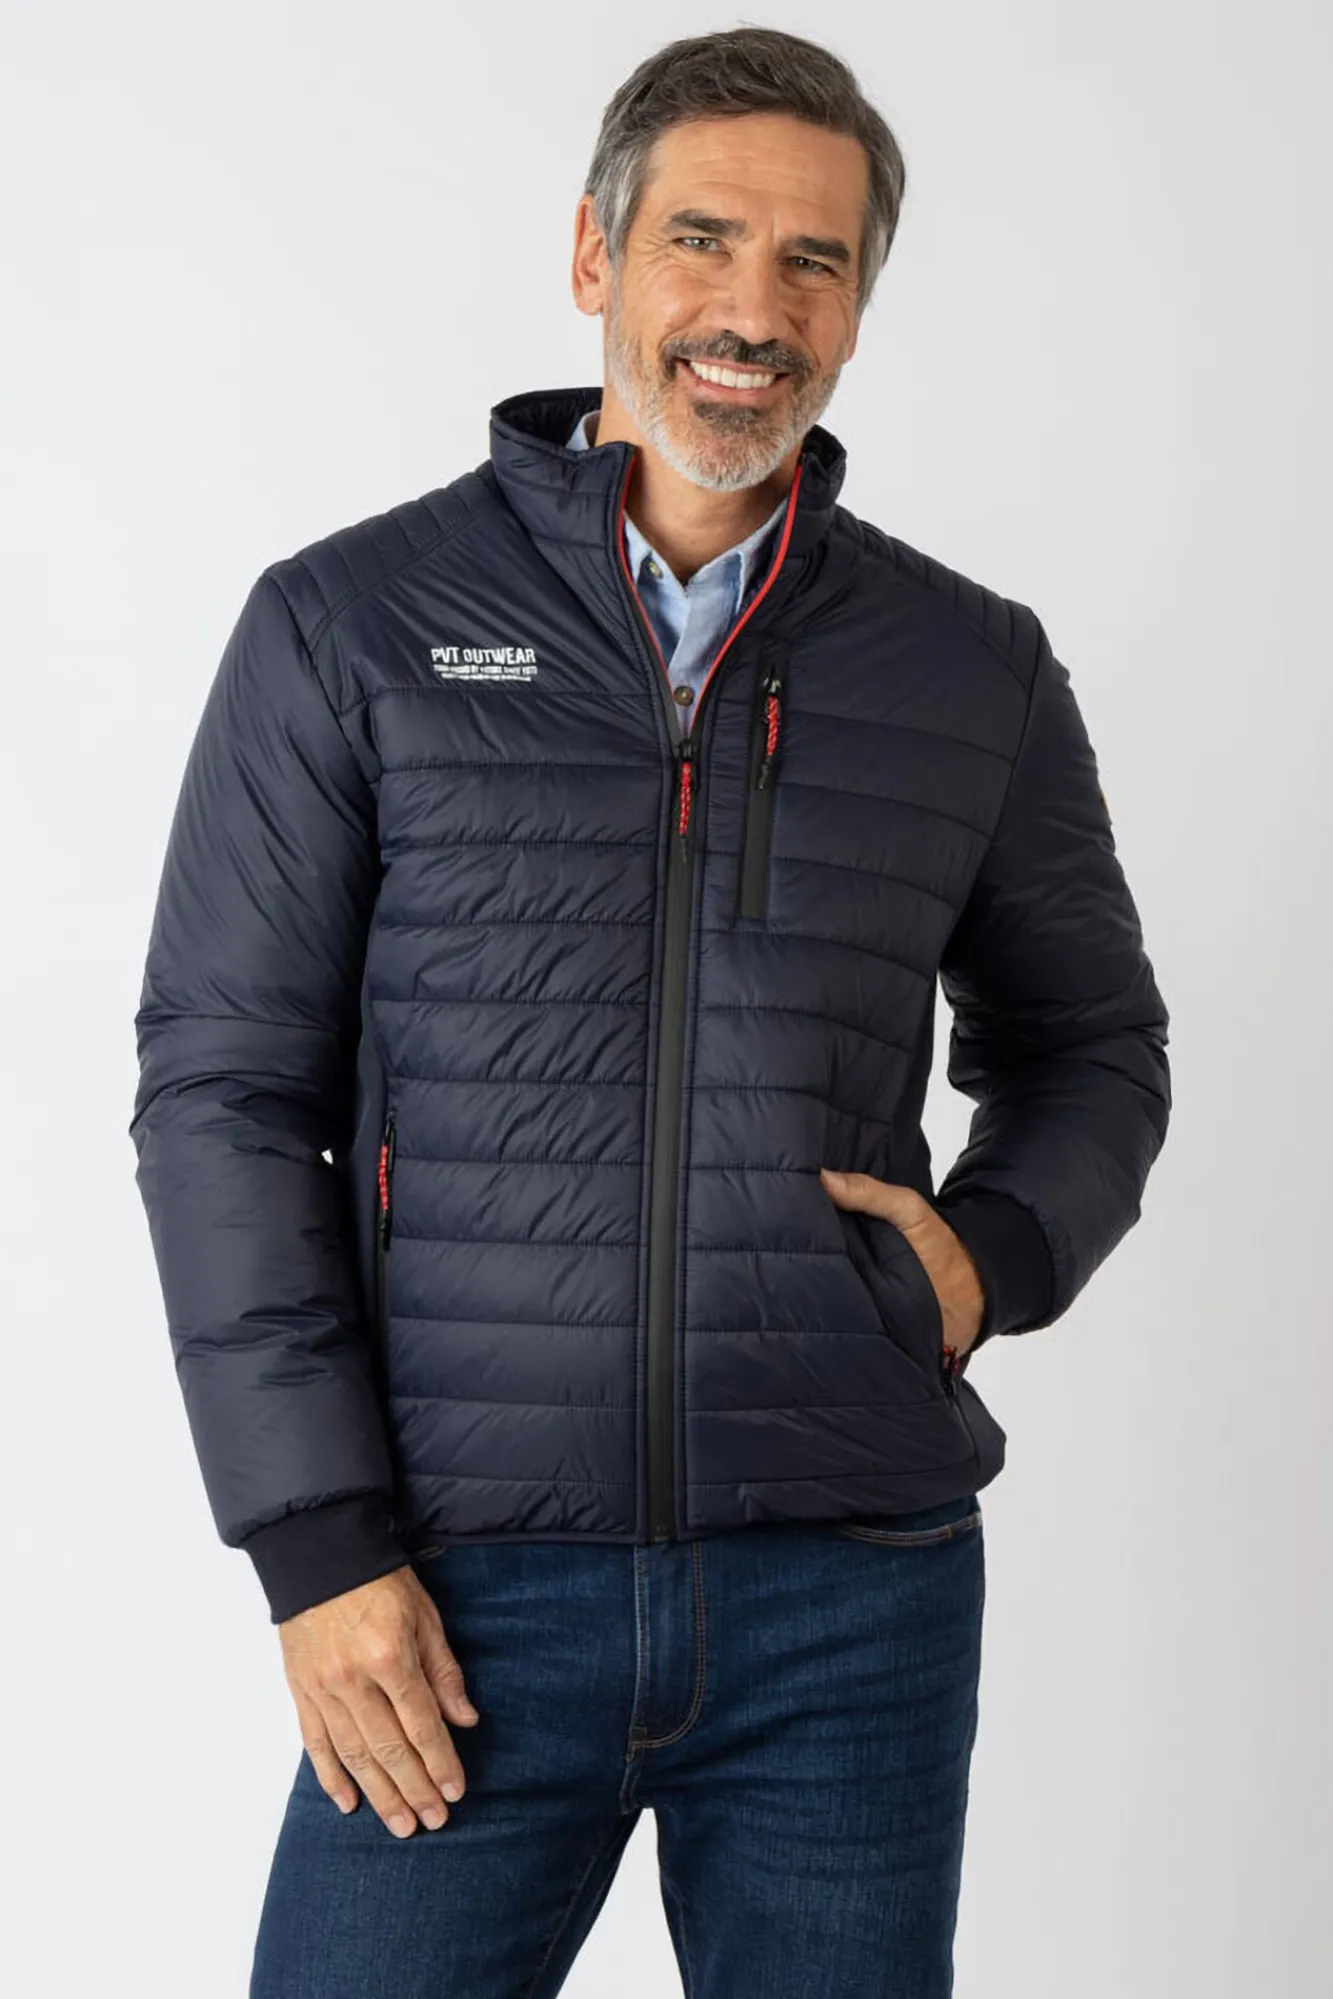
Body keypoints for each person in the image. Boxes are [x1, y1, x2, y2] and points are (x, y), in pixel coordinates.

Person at [129, 25, 1171, 1998]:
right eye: (703, 239)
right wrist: (317, 1544)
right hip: (451, 1591)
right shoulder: (349, 626)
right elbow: (226, 1100)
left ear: (859, 306)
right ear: (595, 256)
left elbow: (1093, 1046)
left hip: (849, 1596)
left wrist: (995, 1256)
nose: (753, 311)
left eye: (814, 262)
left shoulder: (971, 670)